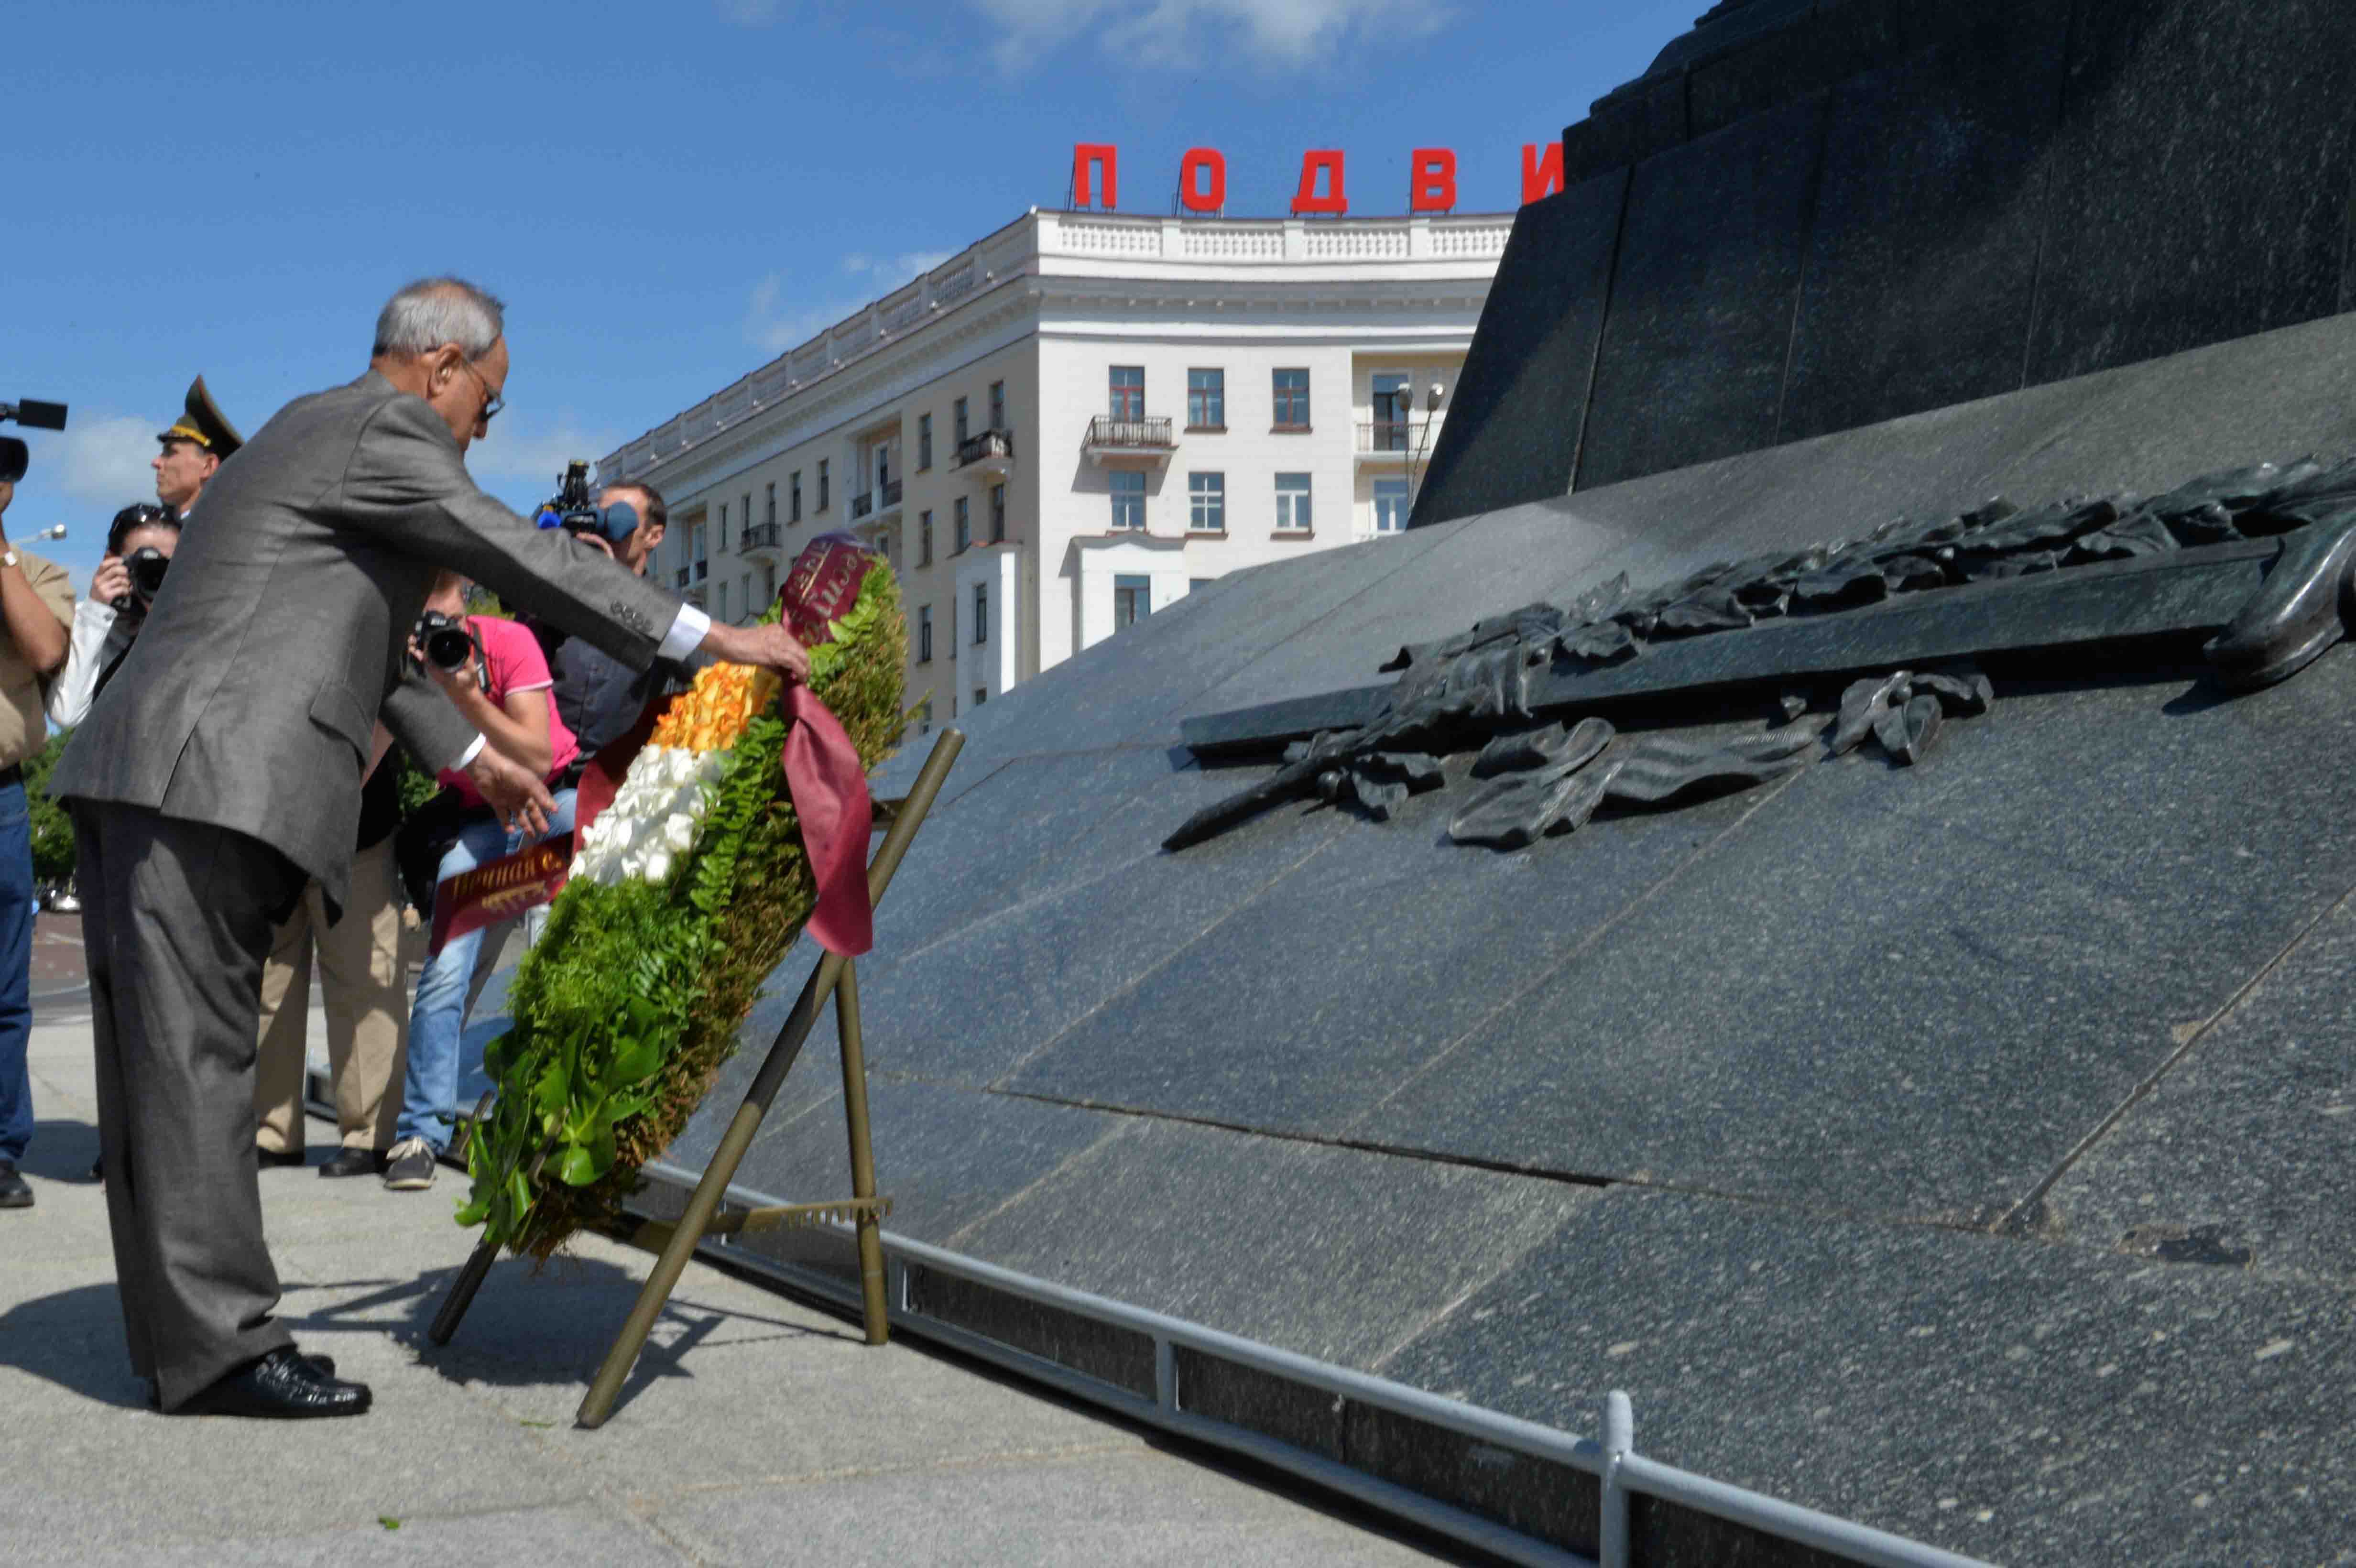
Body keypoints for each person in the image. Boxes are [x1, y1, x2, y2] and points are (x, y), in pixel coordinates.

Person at [51, 276, 811, 1417]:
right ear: (442, 365)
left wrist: (478, 757)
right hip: (205, 778)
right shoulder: (386, 424)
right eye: (488, 404)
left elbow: (376, 652)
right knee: (197, 1064)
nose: (479, 430)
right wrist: (716, 638)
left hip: (155, 772)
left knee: (163, 1070)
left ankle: (187, 1341)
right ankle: (218, 1349)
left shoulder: (316, 432)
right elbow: (521, 552)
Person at [383, 572, 579, 1191]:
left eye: (436, 603)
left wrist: (466, 695)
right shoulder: (403, 671)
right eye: (415, 610)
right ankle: (421, 1132)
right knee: (445, 968)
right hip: (483, 819)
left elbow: (538, 759)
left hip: (554, 802)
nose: (430, 624)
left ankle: (555, 1118)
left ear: (460, 597)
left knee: (558, 951)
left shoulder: (507, 641)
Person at [0, 474, 72, 1211]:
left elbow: (46, 649)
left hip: (0, 797)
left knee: (4, 993)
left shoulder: (40, 571)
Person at [47, 503, 182, 730]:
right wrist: (97, 610)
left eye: (171, 566)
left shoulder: (194, 618)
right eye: (149, 564)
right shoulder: (85, 622)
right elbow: (67, 715)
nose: (159, 575)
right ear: (111, 561)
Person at [152, 376, 241, 522]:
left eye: (171, 452)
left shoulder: (228, 531)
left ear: (208, 465)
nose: (156, 462)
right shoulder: (154, 530)